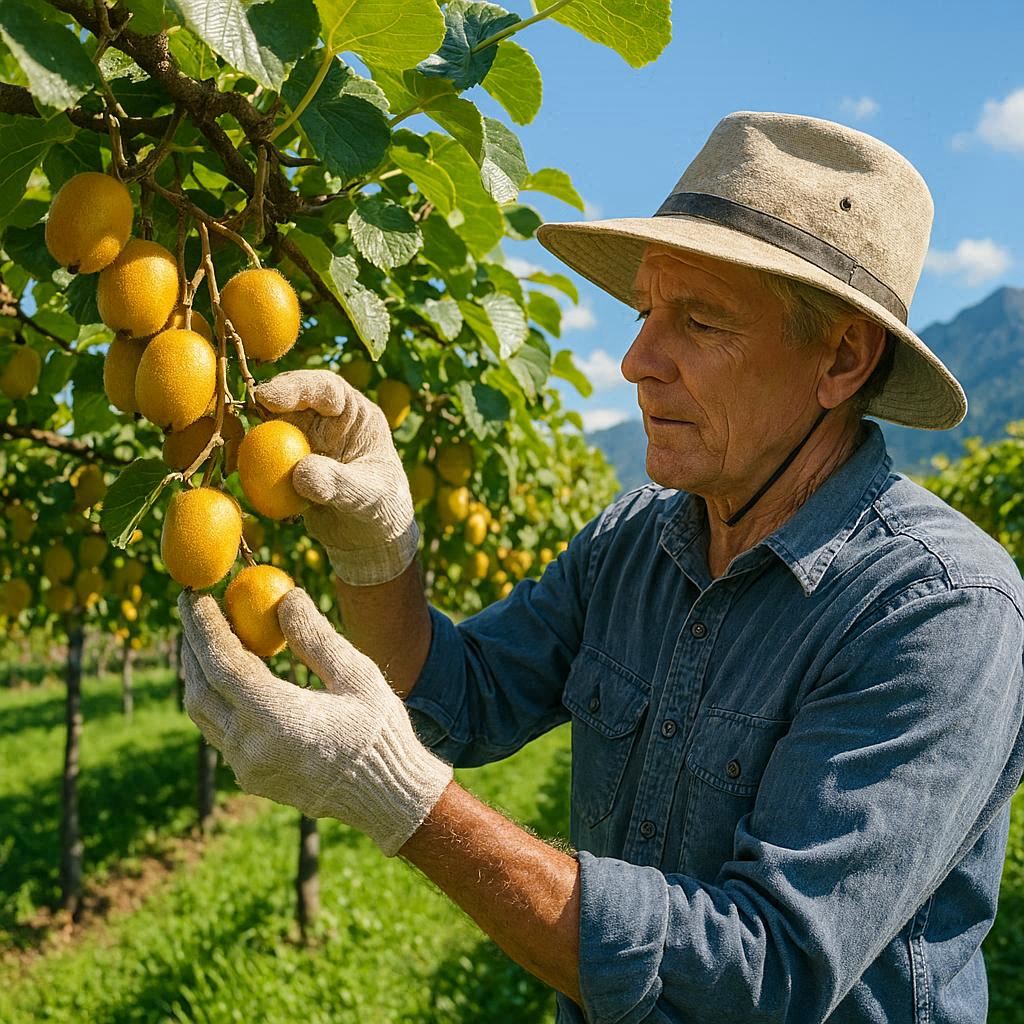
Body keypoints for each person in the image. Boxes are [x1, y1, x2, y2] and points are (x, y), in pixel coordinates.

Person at [179, 111, 1024, 1023]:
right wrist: (380, 550)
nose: (635, 361)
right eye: (644, 314)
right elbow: (453, 698)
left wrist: (404, 801)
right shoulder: (633, 545)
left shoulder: (940, 612)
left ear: (842, 357)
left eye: (700, 321)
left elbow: (763, 975)